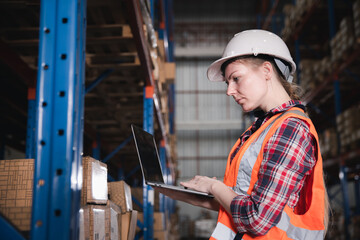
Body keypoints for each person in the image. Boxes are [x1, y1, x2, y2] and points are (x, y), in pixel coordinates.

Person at [155, 29, 329, 240]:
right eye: (228, 83)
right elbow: (240, 203)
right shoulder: (262, 128)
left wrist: (214, 185)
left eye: (236, 78)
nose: (229, 90)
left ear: (266, 71)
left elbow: (255, 219)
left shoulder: (290, 128)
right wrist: (178, 193)